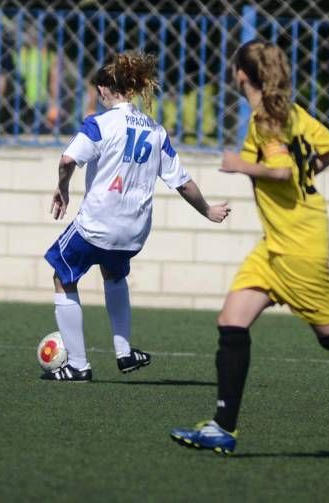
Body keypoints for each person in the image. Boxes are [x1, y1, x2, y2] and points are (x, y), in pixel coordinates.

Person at [170, 40, 329, 462]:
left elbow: (281, 170)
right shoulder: (293, 113)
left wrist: (242, 166)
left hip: (298, 245)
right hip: (277, 244)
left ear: (242, 75)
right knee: (232, 321)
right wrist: (300, 175)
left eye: (234, 69)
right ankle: (222, 427)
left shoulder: (267, 119)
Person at [42, 52, 231, 381]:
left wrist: (63, 188)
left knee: (62, 273)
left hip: (97, 224)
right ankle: (124, 352)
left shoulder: (99, 123)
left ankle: (78, 365)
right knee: (114, 275)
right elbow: (182, 183)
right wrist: (208, 211)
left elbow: (67, 161)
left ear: (104, 90)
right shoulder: (156, 131)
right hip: (133, 233)